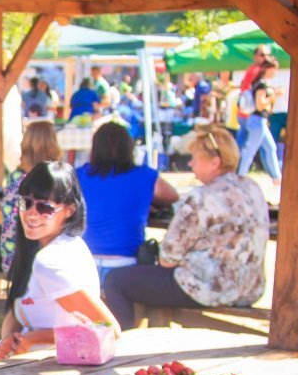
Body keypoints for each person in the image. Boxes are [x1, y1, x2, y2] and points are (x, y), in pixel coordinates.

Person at [104, 127, 269, 329]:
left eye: (195, 158)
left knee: (116, 280)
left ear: (215, 162)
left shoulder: (204, 196)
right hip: (250, 287)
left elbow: (167, 258)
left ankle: (120, 339)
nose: (190, 164)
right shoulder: (252, 188)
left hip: (208, 287)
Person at [0, 162, 119, 363]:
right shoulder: (44, 247)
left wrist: (35, 338)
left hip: (48, 364)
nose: (32, 213)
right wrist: (9, 340)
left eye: (45, 207)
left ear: (69, 210)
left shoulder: (50, 261)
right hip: (25, 357)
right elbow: (17, 309)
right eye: (26, 203)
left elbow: (109, 329)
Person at [77, 122, 179, 283]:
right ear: (129, 148)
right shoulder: (144, 176)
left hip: (83, 264)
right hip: (126, 265)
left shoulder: (79, 175)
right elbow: (172, 196)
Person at [0, 120, 62, 272]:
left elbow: (13, 218)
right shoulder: (54, 180)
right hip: (40, 261)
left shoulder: (16, 178)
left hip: (12, 259)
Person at [237, 56, 282, 187]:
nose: (276, 72)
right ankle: (240, 176)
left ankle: (276, 177)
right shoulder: (262, 85)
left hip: (259, 121)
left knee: (270, 147)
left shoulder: (260, 83)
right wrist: (274, 95)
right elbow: (260, 105)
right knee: (250, 150)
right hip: (257, 121)